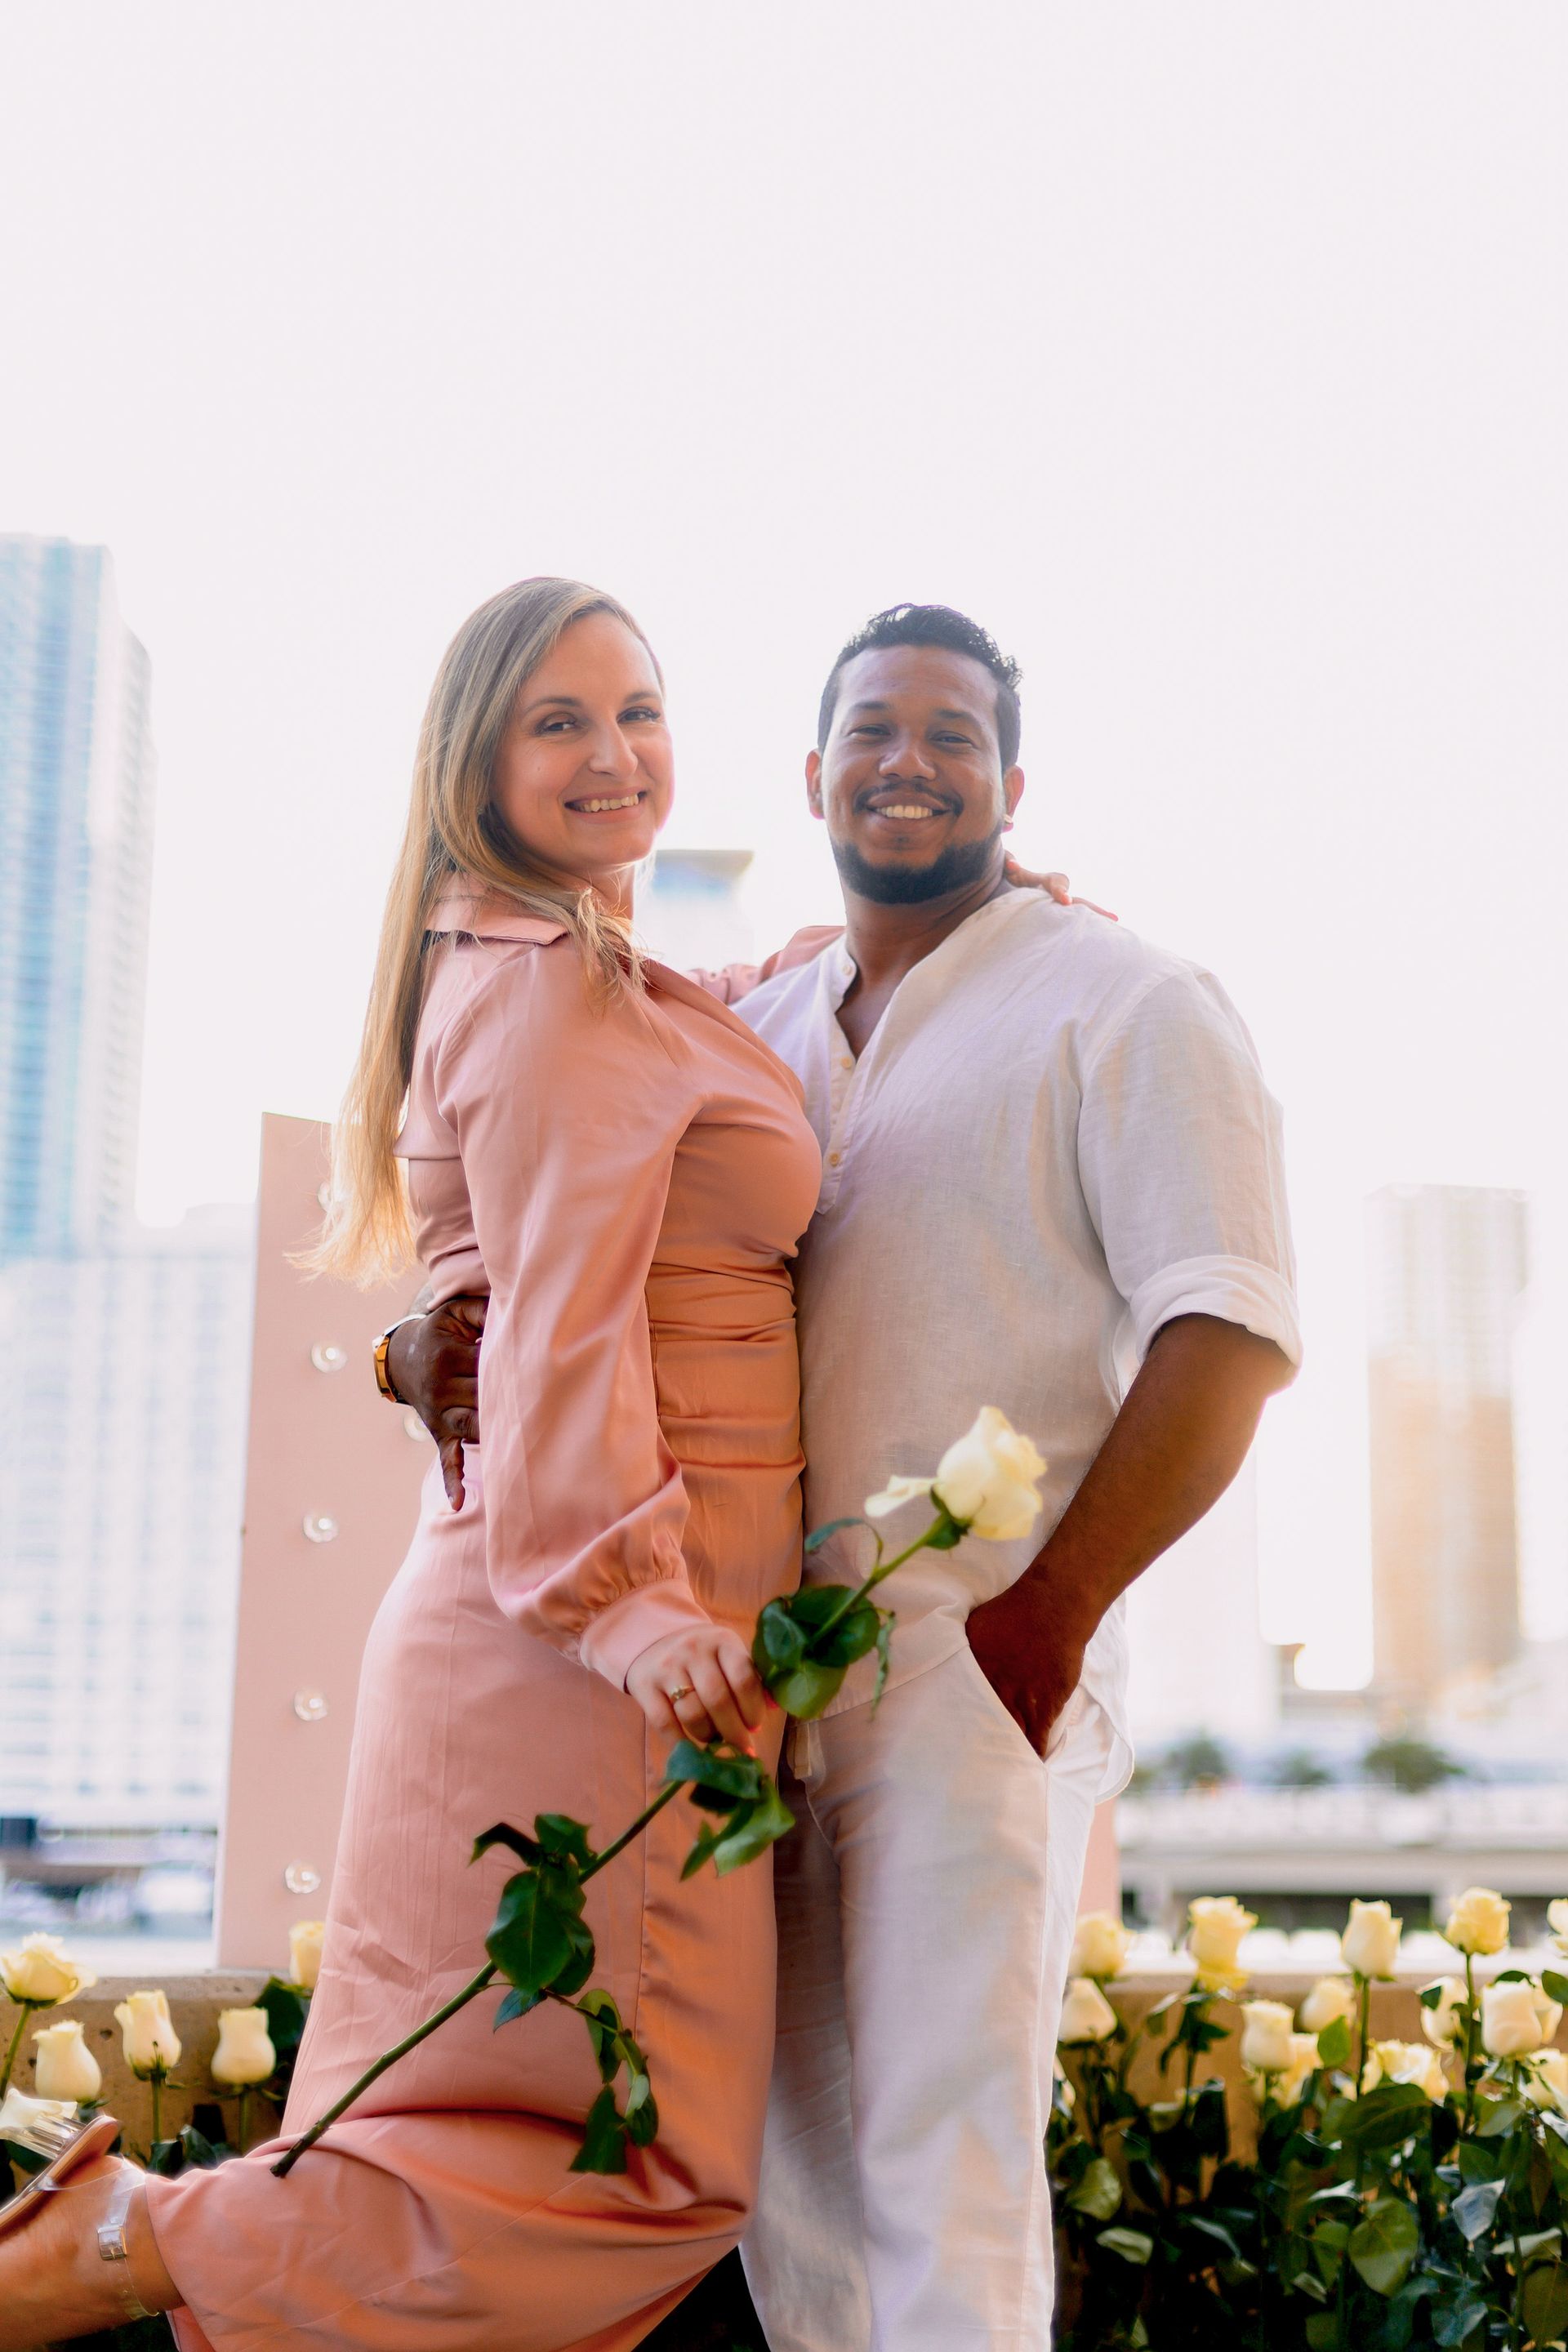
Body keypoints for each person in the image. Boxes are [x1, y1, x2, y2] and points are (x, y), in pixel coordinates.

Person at [394, 604, 1301, 2351]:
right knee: (784, 2209)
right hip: (753, 1694)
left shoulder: (1132, 1000)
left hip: (972, 1688)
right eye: (873, 731)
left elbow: (1232, 1336)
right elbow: (522, 1172)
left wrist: (1038, 1627)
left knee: (941, 2193)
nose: (910, 762)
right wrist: (406, 1341)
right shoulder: (760, 1022)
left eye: (953, 735)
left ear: (1012, 783)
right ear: (813, 775)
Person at [0, 577, 824, 2349]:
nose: (617, 754)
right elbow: (562, 1330)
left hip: (546, 1634)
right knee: (644, 2167)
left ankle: (144, 2243)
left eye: (640, 710)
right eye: (560, 721)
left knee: (470, 2125)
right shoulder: (552, 998)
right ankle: (134, 2246)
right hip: (602, 1653)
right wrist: (630, 1611)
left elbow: (708, 1056)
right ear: (478, 766)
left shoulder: (567, 971)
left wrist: (975, 919)